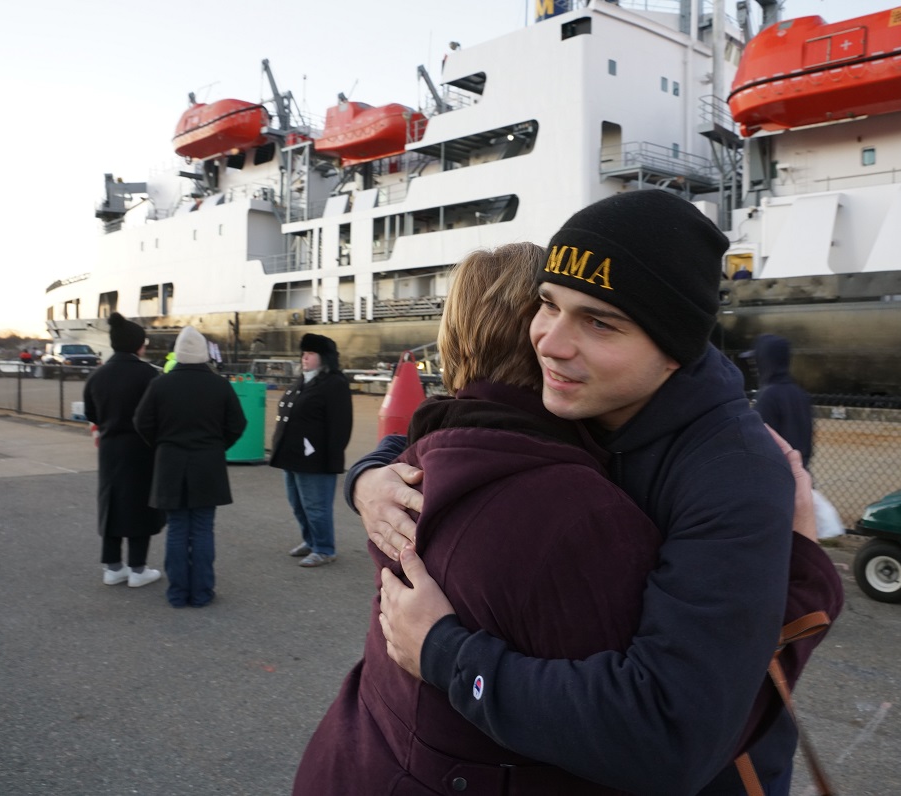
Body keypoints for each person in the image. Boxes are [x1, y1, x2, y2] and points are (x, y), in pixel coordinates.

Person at [353, 190, 843, 795]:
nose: (550, 342)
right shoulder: (590, 395)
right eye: (548, 305)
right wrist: (369, 479)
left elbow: (669, 737)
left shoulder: (731, 474)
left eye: (599, 321)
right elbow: (458, 419)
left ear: (672, 352)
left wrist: (445, 654)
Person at [292, 243, 662, 795]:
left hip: (354, 756)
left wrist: (364, 476)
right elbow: (652, 737)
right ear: (545, 337)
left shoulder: (419, 460)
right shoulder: (581, 512)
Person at [134, 326, 246, 607]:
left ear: (179, 353)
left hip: (170, 464)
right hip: (208, 465)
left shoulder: (160, 384)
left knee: (177, 528)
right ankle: (201, 592)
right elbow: (237, 424)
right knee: (202, 528)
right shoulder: (219, 385)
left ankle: (177, 592)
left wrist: (162, 444)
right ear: (204, 354)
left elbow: (141, 422)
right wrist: (218, 446)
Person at [83, 312, 165, 588]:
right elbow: (158, 414)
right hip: (142, 449)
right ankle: (138, 569)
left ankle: (113, 566)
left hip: (109, 448)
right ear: (137, 345)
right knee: (141, 506)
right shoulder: (149, 375)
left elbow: (91, 413)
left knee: (113, 504)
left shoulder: (97, 376)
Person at [270, 334, 353, 567]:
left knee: (316, 506)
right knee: (298, 504)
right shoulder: (304, 380)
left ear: (323, 357)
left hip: (314, 459)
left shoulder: (334, 383)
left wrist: (331, 457)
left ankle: (325, 548)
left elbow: (340, 426)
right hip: (291, 456)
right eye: (303, 354)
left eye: (310, 354)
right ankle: (311, 540)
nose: (304, 358)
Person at [742, 334, 813, 471]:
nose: (754, 366)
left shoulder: (768, 396)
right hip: (801, 472)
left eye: (755, 360)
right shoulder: (799, 394)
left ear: (765, 359)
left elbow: (758, 442)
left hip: (778, 474)